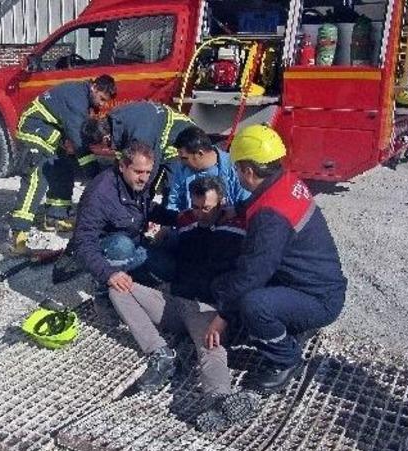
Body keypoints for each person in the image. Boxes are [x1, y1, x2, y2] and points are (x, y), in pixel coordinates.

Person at [205, 124, 347, 391]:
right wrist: (236, 210)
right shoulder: (286, 180)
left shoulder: (270, 217)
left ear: (248, 171)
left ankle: (285, 359)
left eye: (237, 169)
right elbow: (264, 202)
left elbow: (254, 273)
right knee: (233, 287)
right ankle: (284, 325)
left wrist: (222, 314)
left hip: (318, 299)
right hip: (315, 284)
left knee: (253, 304)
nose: (236, 174)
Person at [107, 175, 246, 395]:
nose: (201, 213)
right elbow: (163, 220)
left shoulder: (238, 225)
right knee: (119, 288)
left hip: (206, 308)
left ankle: (219, 397)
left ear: (222, 202)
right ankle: (160, 352)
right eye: (196, 207)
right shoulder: (186, 220)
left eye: (207, 208)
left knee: (210, 349)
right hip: (174, 302)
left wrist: (226, 313)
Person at [9, 75, 117, 253]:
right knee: (37, 176)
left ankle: (55, 217)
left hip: (51, 135)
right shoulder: (75, 97)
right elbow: (79, 141)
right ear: (94, 87)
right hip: (34, 130)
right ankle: (18, 233)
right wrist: (95, 175)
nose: (102, 105)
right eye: (102, 99)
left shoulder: (83, 96)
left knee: (63, 167)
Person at [72, 140, 176, 294]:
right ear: (122, 166)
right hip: (109, 246)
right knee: (122, 245)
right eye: (138, 172)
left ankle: (130, 275)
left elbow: (147, 208)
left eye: (148, 172)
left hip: (136, 242)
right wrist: (108, 274)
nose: (144, 178)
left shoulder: (138, 183)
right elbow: (83, 240)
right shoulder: (100, 193)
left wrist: (179, 218)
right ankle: (107, 288)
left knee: (169, 270)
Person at [80, 101, 195, 196]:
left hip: (183, 139)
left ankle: (171, 221)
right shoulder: (115, 120)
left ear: (105, 138)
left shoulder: (140, 137)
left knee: (172, 190)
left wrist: (135, 197)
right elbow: (123, 159)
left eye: (99, 147)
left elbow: (149, 172)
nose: (103, 150)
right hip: (158, 131)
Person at [168, 126, 250, 212]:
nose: (181, 162)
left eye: (184, 158)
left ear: (200, 153)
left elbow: (246, 202)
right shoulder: (182, 168)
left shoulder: (235, 168)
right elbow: (173, 202)